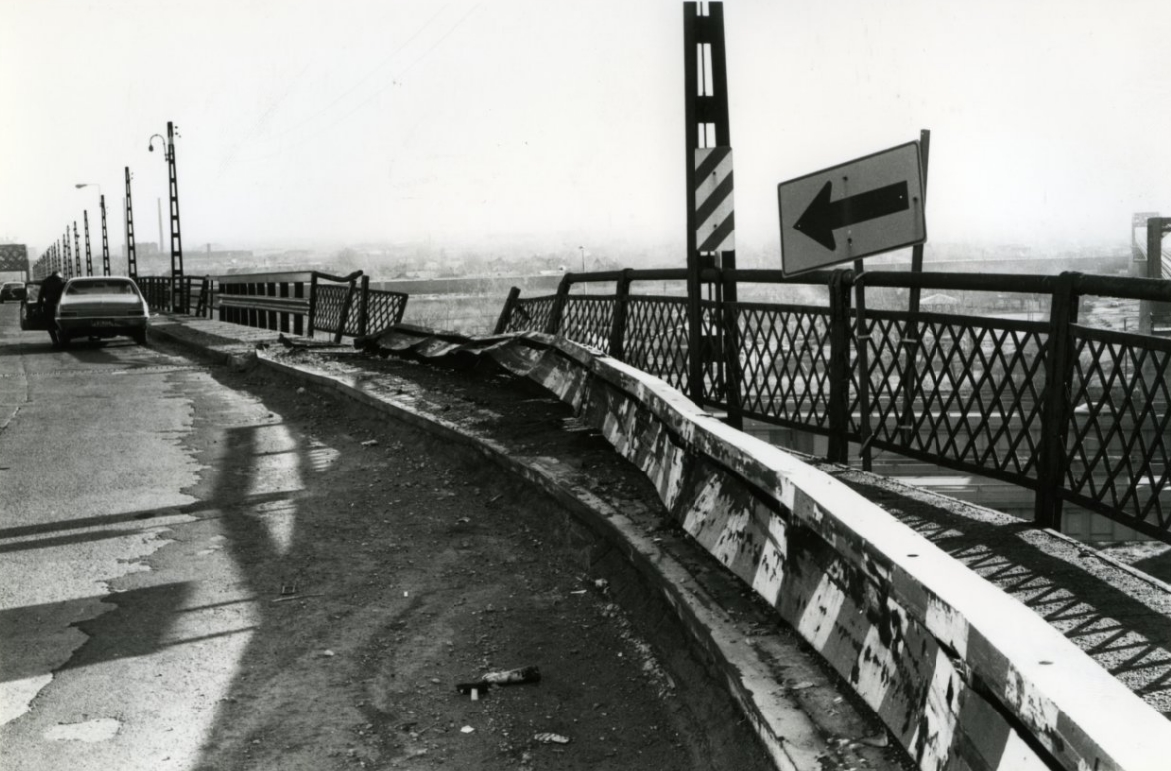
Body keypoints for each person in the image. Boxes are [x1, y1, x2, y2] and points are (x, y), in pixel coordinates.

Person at [38, 271, 65, 345]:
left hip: (49, 305)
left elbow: (40, 295)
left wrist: (39, 307)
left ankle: (54, 341)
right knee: (61, 323)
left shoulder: (46, 281)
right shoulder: (62, 281)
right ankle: (62, 339)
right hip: (61, 305)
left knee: (50, 324)